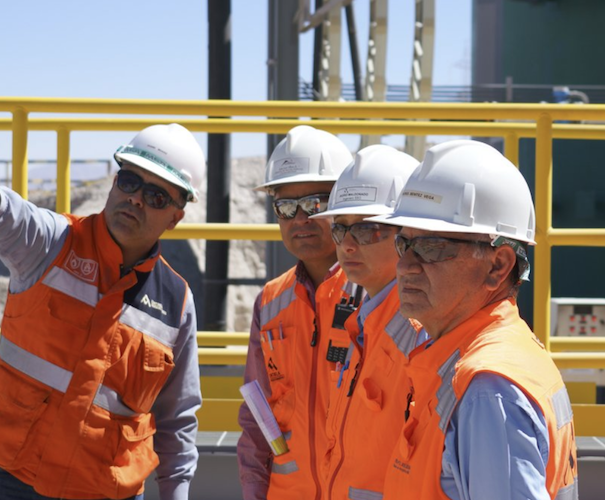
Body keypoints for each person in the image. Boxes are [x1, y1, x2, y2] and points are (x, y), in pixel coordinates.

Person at [0, 124, 204, 500]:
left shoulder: (177, 304)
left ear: (175, 217)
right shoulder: (54, 244)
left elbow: (177, 418)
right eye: (129, 181)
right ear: (114, 182)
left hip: (107, 491)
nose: (136, 199)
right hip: (12, 481)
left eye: (156, 196)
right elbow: (17, 222)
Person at [367, 140, 579, 500]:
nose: (405, 266)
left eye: (432, 247)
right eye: (404, 244)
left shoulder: (488, 391)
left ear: (498, 265)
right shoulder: (473, 360)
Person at [236, 125, 353, 500]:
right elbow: (257, 417)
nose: (300, 218)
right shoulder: (270, 302)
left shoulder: (378, 296)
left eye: (316, 204)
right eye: (286, 207)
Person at [308, 144, 423, 500]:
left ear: (408, 234)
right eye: (340, 229)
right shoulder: (365, 319)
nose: (347, 245)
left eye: (367, 230)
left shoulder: (421, 330)